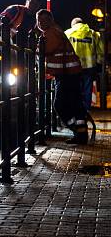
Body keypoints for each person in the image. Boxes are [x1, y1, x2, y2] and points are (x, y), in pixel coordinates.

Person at [36, 10, 87, 144]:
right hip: (69, 73)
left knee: (59, 104)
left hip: (67, 74)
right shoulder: (55, 30)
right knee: (75, 104)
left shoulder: (51, 33)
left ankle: (76, 130)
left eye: (44, 20)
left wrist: (35, 47)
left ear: (50, 20)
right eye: (39, 20)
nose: (41, 23)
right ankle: (80, 133)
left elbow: (44, 50)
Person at [65, 17, 103, 110]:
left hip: (72, 66)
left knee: (74, 88)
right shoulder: (93, 34)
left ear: (73, 25)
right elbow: (100, 52)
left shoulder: (67, 33)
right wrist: (99, 64)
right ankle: (86, 110)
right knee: (87, 89)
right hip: (89, 67)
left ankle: (76, 111)